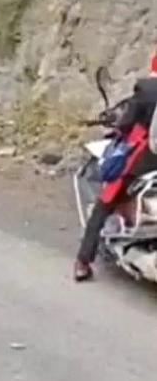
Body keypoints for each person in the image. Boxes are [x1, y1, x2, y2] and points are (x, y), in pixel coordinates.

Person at [74, 69, 157, 282]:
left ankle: (83, 262)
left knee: (105, 202)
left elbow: (127, 121)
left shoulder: (147, 89)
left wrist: (119, 124)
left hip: (144, 160)